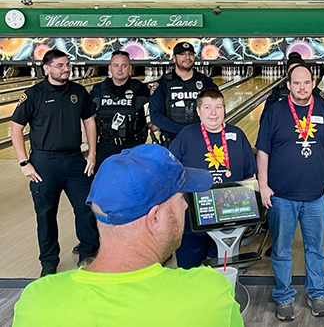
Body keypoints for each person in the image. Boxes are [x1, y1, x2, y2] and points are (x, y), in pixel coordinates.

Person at [12, 144, 244, 327]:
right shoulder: (210, 293)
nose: (185, 206)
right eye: (180, 198)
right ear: (155, 219)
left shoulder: (37, 302)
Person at [256, 64, 324, 321]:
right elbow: (263, 151)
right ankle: (283, 296)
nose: (302, 87)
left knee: (315, 249)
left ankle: (317, 293)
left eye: (306, 83)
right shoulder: (275, 111)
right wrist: (263, 185)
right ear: (289, 85)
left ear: (313, 83)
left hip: (317, 196)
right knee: (281, 250)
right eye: (297, 83)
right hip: (281, 196)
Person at [10, 49, 99, 277]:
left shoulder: (78, 92)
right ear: (46, 68)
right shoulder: (33, 94)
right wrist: (23, 163)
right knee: (46, 213)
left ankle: (89, 253)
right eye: (60, 65)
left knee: (85, 209)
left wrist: (91, 154)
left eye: (68, 64)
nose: (66, 69)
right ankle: (49, 262)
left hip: (74, 160)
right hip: (43, 163)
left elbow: (89, 122)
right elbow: (16, 129)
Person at [169, 88, 257, 269]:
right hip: (193, 219)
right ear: (198, 111)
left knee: (224, 270)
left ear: (224, 109)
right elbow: (171, 175)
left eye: (218, 107)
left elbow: (250, 177)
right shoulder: (186, 135)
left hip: (229, 219)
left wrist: (250, 214)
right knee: (189, 271)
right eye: (208, 107)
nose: (213, 113)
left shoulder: (237, 135)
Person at [149, 41, 218, 147]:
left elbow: (218, 110)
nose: (187, 57)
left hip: (202, 140)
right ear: (174, 58)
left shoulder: (206, 83)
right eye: (182, 54)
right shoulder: (162, 84)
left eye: (190, 54)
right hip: (172, 142)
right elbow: (156, 116)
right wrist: (185, 131)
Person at [91, 50, 150, 168]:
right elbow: (87, 115)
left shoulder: (141, 89)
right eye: (116, 65)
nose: (120, 69)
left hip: (133, 145)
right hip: (105, 145)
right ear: (110, 68)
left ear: (130, 68)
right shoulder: (98, 89)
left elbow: (154, 110)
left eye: (124, 65)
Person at [260, 51, 324, 121]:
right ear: (287, 73)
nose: (296, 73)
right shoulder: (277, 93)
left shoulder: (315, 94)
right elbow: (265, 120)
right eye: (292, 70)